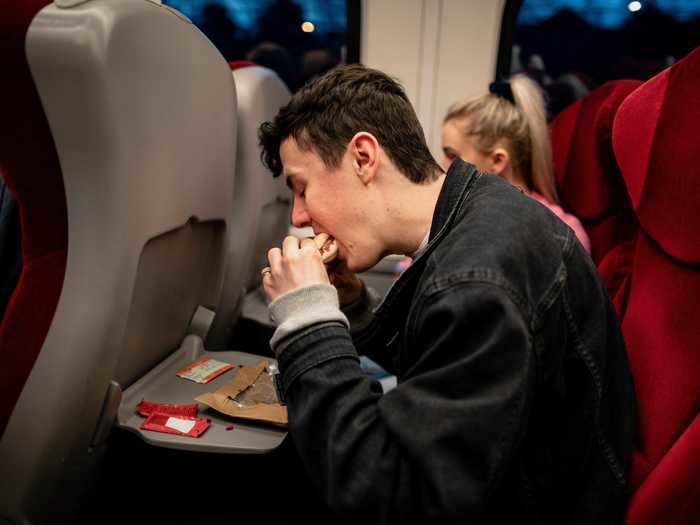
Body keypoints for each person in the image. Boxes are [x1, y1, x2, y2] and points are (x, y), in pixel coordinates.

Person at [258, 64, 635, 524]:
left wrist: (307, 322)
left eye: (302, 188)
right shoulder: (476, 210)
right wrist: (352, 306)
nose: (298, 217)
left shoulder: (478, 277)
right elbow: (443, 362)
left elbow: (388, 492)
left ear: (362, 157)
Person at [441, 73, 592, 254]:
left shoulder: (561, 233)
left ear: (497, 161)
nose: (442, 165)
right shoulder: (457, 215)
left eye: (451, 155)